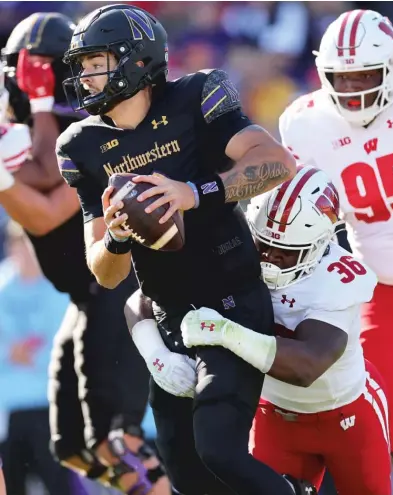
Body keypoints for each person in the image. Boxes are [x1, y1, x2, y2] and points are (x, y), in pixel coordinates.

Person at [57, 4, 302, 495]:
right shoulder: (80, 146)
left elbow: (277, 162)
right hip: (169, 317)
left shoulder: (196, 95)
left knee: (220, 449)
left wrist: (194, 191)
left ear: (135, 61)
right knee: (187, 474)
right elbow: (103, 273)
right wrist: (118, 236)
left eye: (95, 61)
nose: (84, 76)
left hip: (233, 299)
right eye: (80, 65)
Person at [0, 12, 168, 495]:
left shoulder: (91, 126)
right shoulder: (29, 126)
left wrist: (44, 104)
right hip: (84, 298)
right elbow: (28, 170)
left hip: (118, 290)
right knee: (71, 446)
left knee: (118, 442)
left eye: (38, 68)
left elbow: (48, 206)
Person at [180, 166, 391, 495]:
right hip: (276, 417)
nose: (269, 261)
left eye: (284, 253)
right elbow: (146, 298)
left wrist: (225, 333)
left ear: (320, 245)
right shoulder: (233, 250)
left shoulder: (337, 277)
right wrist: (156, 354)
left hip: (347, 414)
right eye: (262, 246)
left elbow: (307, 366)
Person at [278, 9, 393, 494]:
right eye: (342, 76)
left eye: (365, 74)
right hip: (382, 290)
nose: (354, 88)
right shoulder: (305, 123)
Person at [0, 221, 71, 495]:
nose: (27, 252)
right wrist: (9, 352)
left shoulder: (57, 286)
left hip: (50, 407)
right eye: (20, 244)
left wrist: (25, 354)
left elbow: (63, 343)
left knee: (59, 486)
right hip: (8, 412)